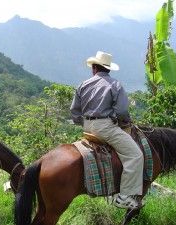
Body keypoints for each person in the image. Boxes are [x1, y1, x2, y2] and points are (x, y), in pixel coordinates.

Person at [70, 51, 144, 209]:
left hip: (87, 127)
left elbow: (74, 112)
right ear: (108, 69)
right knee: (135, 155)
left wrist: (82, 122)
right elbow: (122, 111)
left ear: (94, 69)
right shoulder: (115, 84)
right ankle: (124, 197)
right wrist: (124, 122)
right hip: (105, 128)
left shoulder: (83, 84)